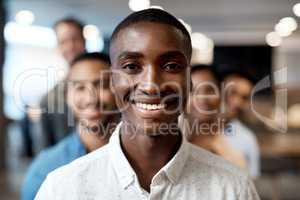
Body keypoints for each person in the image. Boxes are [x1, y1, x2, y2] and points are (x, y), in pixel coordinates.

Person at [36, 9, 260, 199]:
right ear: (113, 82)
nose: (152, 85)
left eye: (171, 66)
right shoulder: (62, 189)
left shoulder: (233, 189)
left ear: (189, 82)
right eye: (132, 66)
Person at [21, 52, 119, 200]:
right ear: (67, 96)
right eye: (80, 88)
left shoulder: (144, 158)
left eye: (102, 85)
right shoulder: (46, 169)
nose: (90, 99)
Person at [183, 64, 247, 169]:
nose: (203, 98)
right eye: (193, 91)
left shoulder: (233, 155)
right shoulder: (168, 147)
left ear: (221, 95)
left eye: (209, 90)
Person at [39, 17, 87, 147]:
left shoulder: (111, 85)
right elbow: (46, 148)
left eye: (75, 39)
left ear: (84, 41)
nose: (70, 46)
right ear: (58, 46)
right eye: (63, 41)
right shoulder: (49, 99)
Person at [223, 69, 261, 178]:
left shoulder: (248, 139)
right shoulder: (191, 127)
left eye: (244, 97)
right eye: (232, 92)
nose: (237, 102)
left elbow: (251, 182)